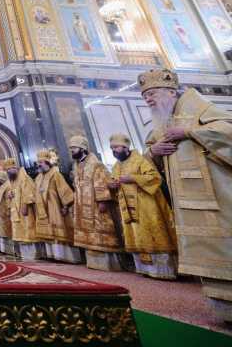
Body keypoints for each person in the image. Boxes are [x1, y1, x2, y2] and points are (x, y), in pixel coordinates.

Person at [139, 68, 232, 319]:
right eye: (145, 96)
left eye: (152, 93)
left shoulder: (200, 109)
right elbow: (147, 163)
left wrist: (190, 132)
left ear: (171, 91)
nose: (148, 99)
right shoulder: (163, 122)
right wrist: (154, 152)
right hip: (187, 202)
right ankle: (224, 311)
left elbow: (228, 132)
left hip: (219, 197)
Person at [107, 133, 177, 279]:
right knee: (136, 236)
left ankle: (162, 271)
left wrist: (133, 178)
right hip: (128, 210)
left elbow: (155, 178)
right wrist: (112, 186)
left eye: (116, 147)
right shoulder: (116, 166)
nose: (114, 151)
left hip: (147, 207)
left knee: (152, 233)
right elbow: (114, 184)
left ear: (126, 147)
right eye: (112, 148)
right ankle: (144, 269)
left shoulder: (141, 160)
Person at [68, 135, 123, 271]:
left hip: (96, 205)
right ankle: (93, 262)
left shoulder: (95, 164)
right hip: (82, 205)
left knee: (100, 230)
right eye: (71, 148)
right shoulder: (76, 165)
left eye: (74, 148)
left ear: (83, 148)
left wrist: (103, 200)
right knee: (87, 233)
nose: (72, 151)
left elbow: (101, 182)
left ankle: (107, 263)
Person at [34, 149, 81, 263]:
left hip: (55, 208)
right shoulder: (38, 178)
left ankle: (65, 256)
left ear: (47, 163)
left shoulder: (56, 174)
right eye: (38, 162)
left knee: (59, 232)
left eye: (41, 162)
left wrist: (65, 206)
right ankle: (52, 255)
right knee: (48, 233)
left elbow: (65, 191)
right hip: (42, 209)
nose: (39, 165)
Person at [5, 158, 44, 259]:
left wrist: (25, 205)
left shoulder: (24, 178)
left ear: (16, 168)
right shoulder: (12, 181)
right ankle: (25, 256)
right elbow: (12, 194)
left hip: (25, 211)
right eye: (7, 170)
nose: (9, 171)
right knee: (20, 235)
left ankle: (33, 255)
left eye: (11, 169)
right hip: (16, 212)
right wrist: (10, 195)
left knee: (28, 232)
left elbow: (30, 192)